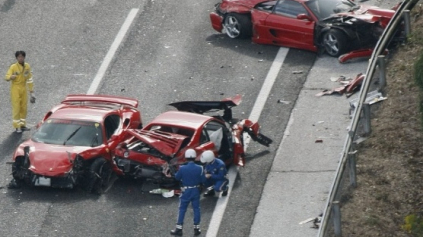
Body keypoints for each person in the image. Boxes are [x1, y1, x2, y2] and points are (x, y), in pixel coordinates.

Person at [170, 149, 206, 236]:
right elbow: (203, 180)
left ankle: (179, 229)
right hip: (195, 191)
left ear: (186, 157)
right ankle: (196, 228)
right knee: (196, 209)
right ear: (194, 157)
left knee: (182, 209)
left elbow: (177, 178)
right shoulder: (200, 168)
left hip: (186, 191)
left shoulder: (182, 168)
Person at [5, 51, 36, 133]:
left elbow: (29, 79)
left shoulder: (27, 66)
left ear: (24, 57)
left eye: (22, 57)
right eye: (19, 57)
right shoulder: (13, 67)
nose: (20, 58)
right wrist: (11, 77)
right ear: (16, 58)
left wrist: (32, 92)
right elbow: (7, 77)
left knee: (24, 107)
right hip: (15, 88)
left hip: (23, 88)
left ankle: (22, 125)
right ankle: (17, 126)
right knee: (17, 108)